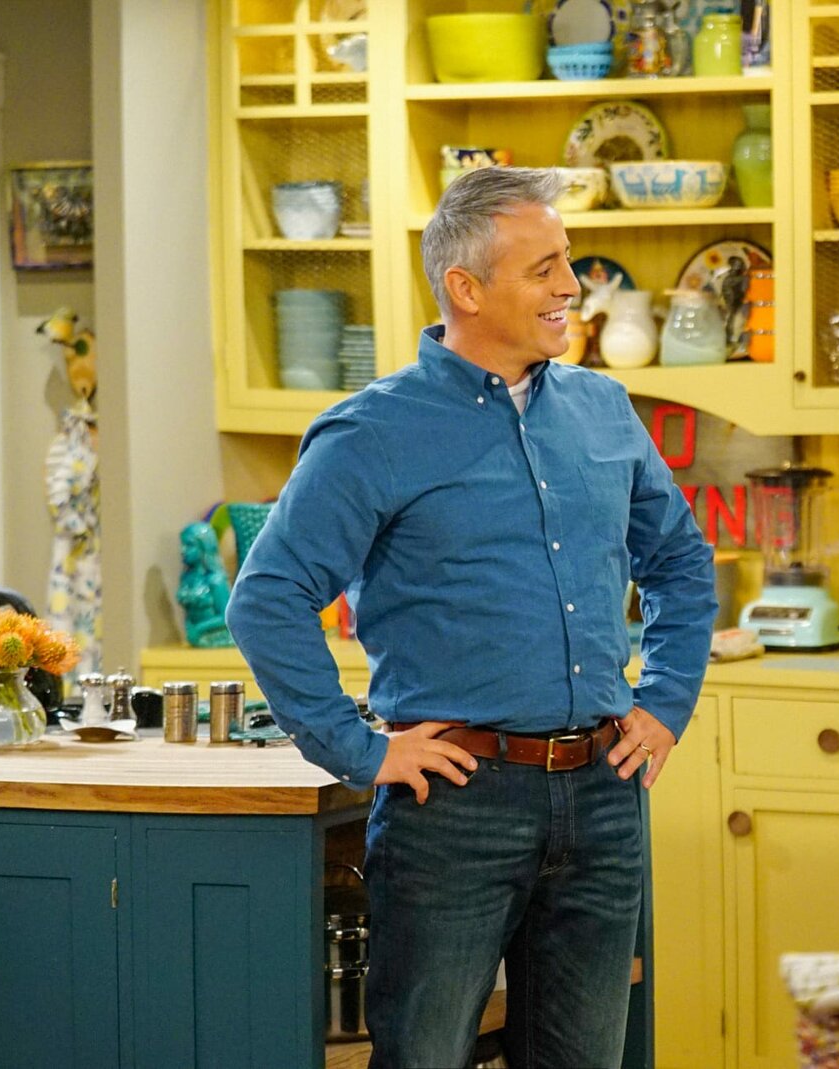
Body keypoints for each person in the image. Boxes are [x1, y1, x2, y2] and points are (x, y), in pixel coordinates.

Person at [226, 165, 717, 1068]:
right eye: (544, 268)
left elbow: (681, 562)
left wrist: (667, 699)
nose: (572, 286)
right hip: (454, 807)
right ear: (466, 287)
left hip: (604, 793)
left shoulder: (604, 409)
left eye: (566, 260)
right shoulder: (372, 431)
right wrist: (360, 750)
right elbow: (267, 596)